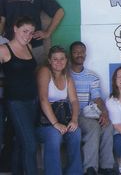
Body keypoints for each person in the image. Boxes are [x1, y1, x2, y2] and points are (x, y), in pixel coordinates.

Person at [69, 41, 115, 175]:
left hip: (88, 113)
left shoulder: (92, 76)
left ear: (85, 54)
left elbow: (97, 98)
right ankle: (90, 168)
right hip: (73, 114)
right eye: (76, 52)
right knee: (94, 127)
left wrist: (104, 113)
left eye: (82, 52)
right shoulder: (65, 75)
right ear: (70, 54)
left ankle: (106, 167)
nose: (79, 55)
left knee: (108, 125)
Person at [0, 16, 38, 174]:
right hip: (15, 102)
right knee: (31, 145)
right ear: (15, 29)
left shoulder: (29, 46)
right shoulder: (3, 49)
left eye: (31, 32)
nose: (28, 35)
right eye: (25, 31)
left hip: (32, 101)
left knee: (19, 143)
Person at [37, 45, 82, 175]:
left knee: (76, 132)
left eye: (62, 59)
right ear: (49, 61)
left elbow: (74, 100)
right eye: (55, 59)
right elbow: (43, 99)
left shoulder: (67, 77)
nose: (59, 62)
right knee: (54, 135)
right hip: (44, 123)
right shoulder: (45, 71)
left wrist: (74, 120)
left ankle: (74, 172)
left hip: (63, 120)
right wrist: (56, 124)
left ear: (66, 60)